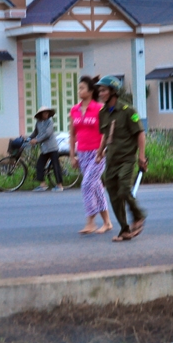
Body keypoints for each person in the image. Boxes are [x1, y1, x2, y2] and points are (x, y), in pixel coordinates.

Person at [95, 75, 148, 242]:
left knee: (124, 190)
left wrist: (141, 157)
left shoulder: (128, 111)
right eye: (100, 90)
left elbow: (140, 133)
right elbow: (105, 134)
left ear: (113, 92)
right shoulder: (103, 113)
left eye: (103, 90)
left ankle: (138, 216)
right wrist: (100, 151)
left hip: (126, 159)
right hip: (111, 160)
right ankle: (124, 230)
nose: (100, 93)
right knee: (113, 195)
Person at [69, 75, 113, 234]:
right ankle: (107, 222)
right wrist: (72, 155)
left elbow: (105, 133)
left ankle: (90, 222)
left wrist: (101, 152)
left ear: (90, 90)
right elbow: (72, 134)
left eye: (82, 87)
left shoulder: (99, 108)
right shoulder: (74, 110)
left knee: (87, 184)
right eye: (78, 87)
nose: (79, 90)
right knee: (96, 188)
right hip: (82, 154)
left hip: (97, 153)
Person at [29, 106, 64, 192]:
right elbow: (35, 132)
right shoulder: (38, 123)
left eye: (47, 113)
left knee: (56, 166)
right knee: (39, 165)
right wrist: (28, 138)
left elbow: (47, 134)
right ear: (41, 114)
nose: (46, 114)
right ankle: (43, 184)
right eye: (44, 113)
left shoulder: (50, 121)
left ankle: (59, 185)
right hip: (44, 149)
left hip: (52, 147)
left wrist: (37, 140)